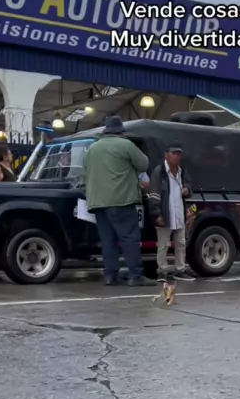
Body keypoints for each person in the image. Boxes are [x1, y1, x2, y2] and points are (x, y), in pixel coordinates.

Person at [82, 115, 155, 287]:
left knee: (108, 240)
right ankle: (135, 275)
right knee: (129, 238)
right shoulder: (125, 145)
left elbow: (85, 173)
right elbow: (144, 164)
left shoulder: (92, 148)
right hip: (121, 200)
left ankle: (110, 275)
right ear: (121, 132)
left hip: (98, 202)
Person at [149, 144, 194, 281]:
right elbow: (154, 194)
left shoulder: (182, 171)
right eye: (174, 153)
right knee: (163, 244)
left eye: (179, 154)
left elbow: (189, 185)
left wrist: (187, 189)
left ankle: (180, 270)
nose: (176, 157)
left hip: (179, 213)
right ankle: (162, 271)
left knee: (181, 243)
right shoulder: (159, 172)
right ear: (166, 155)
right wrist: (157, 214)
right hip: (165, 213)